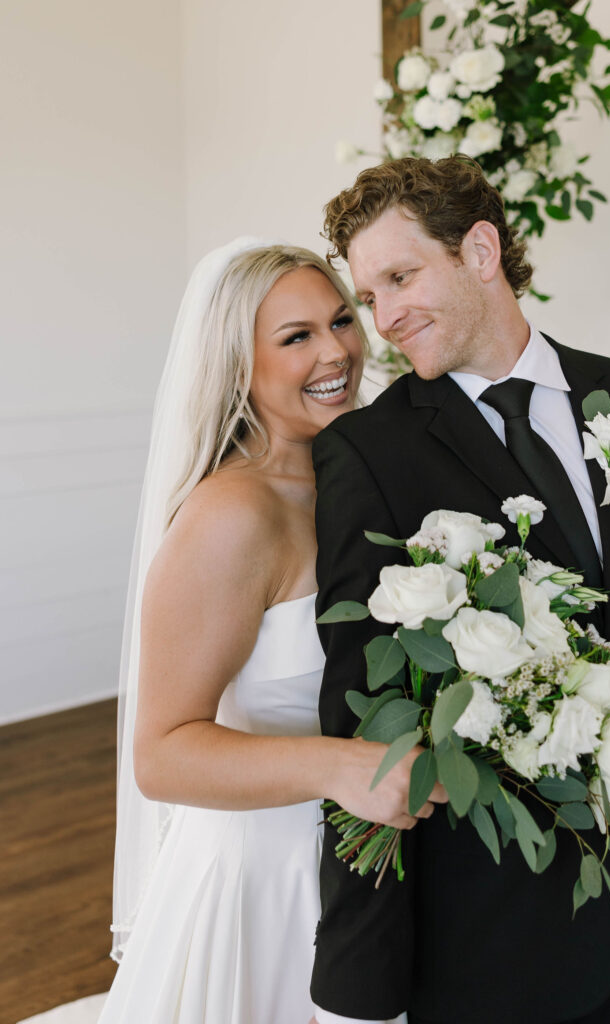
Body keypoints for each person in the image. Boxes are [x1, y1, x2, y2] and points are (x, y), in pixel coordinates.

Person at [310, 157, 610, 1024]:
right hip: (486, 940)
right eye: (369, 298)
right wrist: (361, 990)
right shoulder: (368, 453)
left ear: (480, 250)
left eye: (400, 277)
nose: (385, 319)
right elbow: (361, 726)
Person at [96, 239, 440, 1024]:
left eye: (341, 321)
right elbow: (161, 754)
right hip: (269, 890)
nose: (338, 352)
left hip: (380, 877)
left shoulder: (364, 472)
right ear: (237, 367)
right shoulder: (231, 516)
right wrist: (339, 767)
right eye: (296, 338)